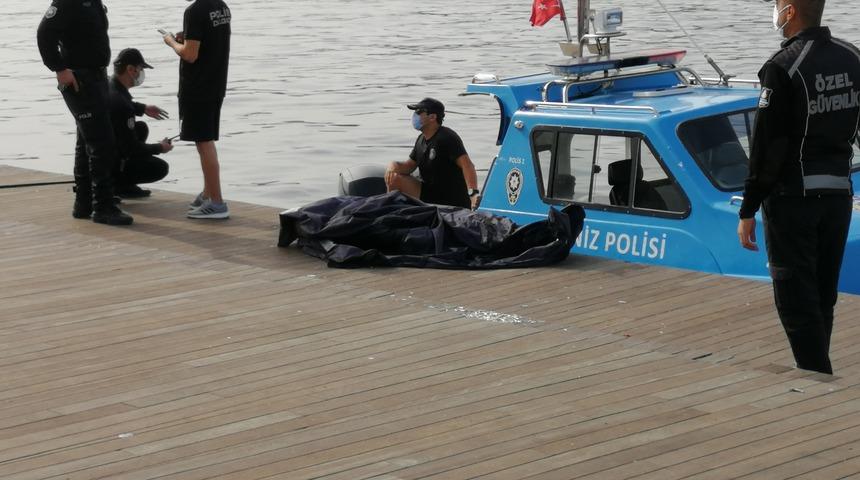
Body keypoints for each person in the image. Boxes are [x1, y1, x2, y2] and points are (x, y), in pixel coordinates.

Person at [737, 0, 860, 374]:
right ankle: (818, 369)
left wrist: (748, 208)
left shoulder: (782, 66)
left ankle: (818, 377)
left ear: (789, 12)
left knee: (794, 298)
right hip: (839, 194)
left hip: (794, 200)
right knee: (823, 294)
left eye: (776, 5)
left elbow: (767, 148)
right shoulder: (853, 57)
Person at [37, 0, 133, 225]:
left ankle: (85, 202)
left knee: (86, 141)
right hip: (80, 78)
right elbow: (44, 34)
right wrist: (59, 69)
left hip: (96, 77)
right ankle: (103, 206)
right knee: (102, 143)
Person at [163, 0, 231, 219]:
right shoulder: (221, 6)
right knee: (205, 140)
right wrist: (188, 36)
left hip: (198, 86)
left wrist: (171, 42)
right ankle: (209, 193)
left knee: (203, 142)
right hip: (216, 82)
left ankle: (217, 203)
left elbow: (190, 54)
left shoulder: (194, 10)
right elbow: (208, 40)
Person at [385, 98, 480, 209]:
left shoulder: (447, 137)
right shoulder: (421, 139)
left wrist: (473, 193)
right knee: (394, 178)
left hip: (450, 199)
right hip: (430, 191)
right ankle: (391, 213)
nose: (414, 115)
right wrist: (393, 165)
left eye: (419, 112)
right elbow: (409, 166)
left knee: (396, 178)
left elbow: (467, 165)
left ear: (432, 117)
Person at [109, 48, 173, 198]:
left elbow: (123, 104)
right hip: (108, 161)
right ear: (130, 69)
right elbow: (131, 148)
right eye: (141, 69)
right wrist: (159, 147)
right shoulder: (122, 104)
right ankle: (118, 183)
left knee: (140, 128)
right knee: (160, 168)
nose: (141, 73)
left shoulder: (109, 85)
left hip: (102, 151)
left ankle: (122, 182)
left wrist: (143, 108)